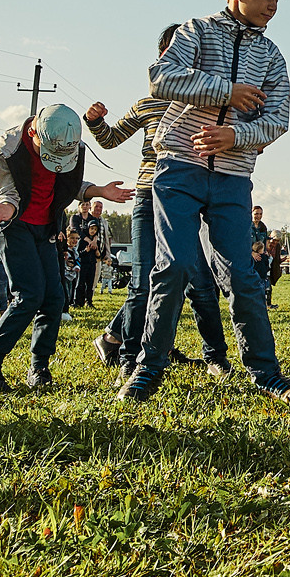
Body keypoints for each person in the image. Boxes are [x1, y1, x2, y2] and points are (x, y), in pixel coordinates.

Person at [120, 0, 290, 403]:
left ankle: (266, 375)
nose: (273, 5)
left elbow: (279, 119)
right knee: (174, 266)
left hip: (233, 175)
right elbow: (160, 78)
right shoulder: (196, 31)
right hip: (179, 170)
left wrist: (234, 135)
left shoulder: (272, 55)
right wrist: (225, 91)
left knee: (243, 276)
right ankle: (148, 369)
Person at [84, 29, 234, 376]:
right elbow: (110, 139)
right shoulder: (147, 102)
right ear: (162, 57)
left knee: (198, 282)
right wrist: (95, 122)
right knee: (144, 281)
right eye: (172, 50)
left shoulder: (205, 102)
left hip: (185, 199)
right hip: (149, 196)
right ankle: (128, 359)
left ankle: (216, 358)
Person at [0, 105, 130, 390]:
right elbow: (7, 189)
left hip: (45, 227)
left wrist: (100, 191)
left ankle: (39, 369)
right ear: (34, 132)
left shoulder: (70, 141)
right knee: (29, 295)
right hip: (13, 224)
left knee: (54, 299)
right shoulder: (12, 146)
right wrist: (8, 208)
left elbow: (70, 184)